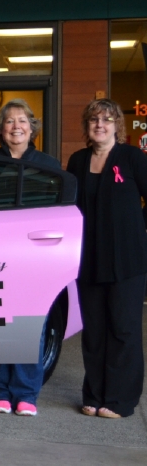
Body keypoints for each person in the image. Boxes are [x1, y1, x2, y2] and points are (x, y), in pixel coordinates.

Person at [66, 99, 147, 419]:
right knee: (95, 330)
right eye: (94, 120)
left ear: (117, 126)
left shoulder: (131, 157)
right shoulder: (77, 160)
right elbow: (69, 208)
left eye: (107, 119)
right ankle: (95, 394)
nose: (100, 124)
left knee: (123, 329)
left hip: (128, 261)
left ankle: (119, 400)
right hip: (89, 260)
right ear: (87, 126)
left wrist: (138, 225)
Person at [0, 98, 59, 416]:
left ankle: (26, 392)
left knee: (32, 323)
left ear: (32, 127)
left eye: (22, 120)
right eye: (9, 121)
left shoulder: (48, 165)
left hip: (34, 257)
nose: (16, 126)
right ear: (0, 128)